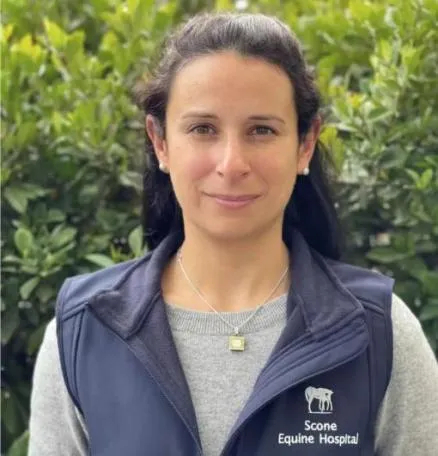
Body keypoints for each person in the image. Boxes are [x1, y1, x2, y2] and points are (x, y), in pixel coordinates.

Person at [28, 12, 438, 456]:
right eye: (203, 129)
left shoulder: (378, 332)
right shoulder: (84, 332)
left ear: (305, 144)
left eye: (261, 130)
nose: (231, 163)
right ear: (160, 142)